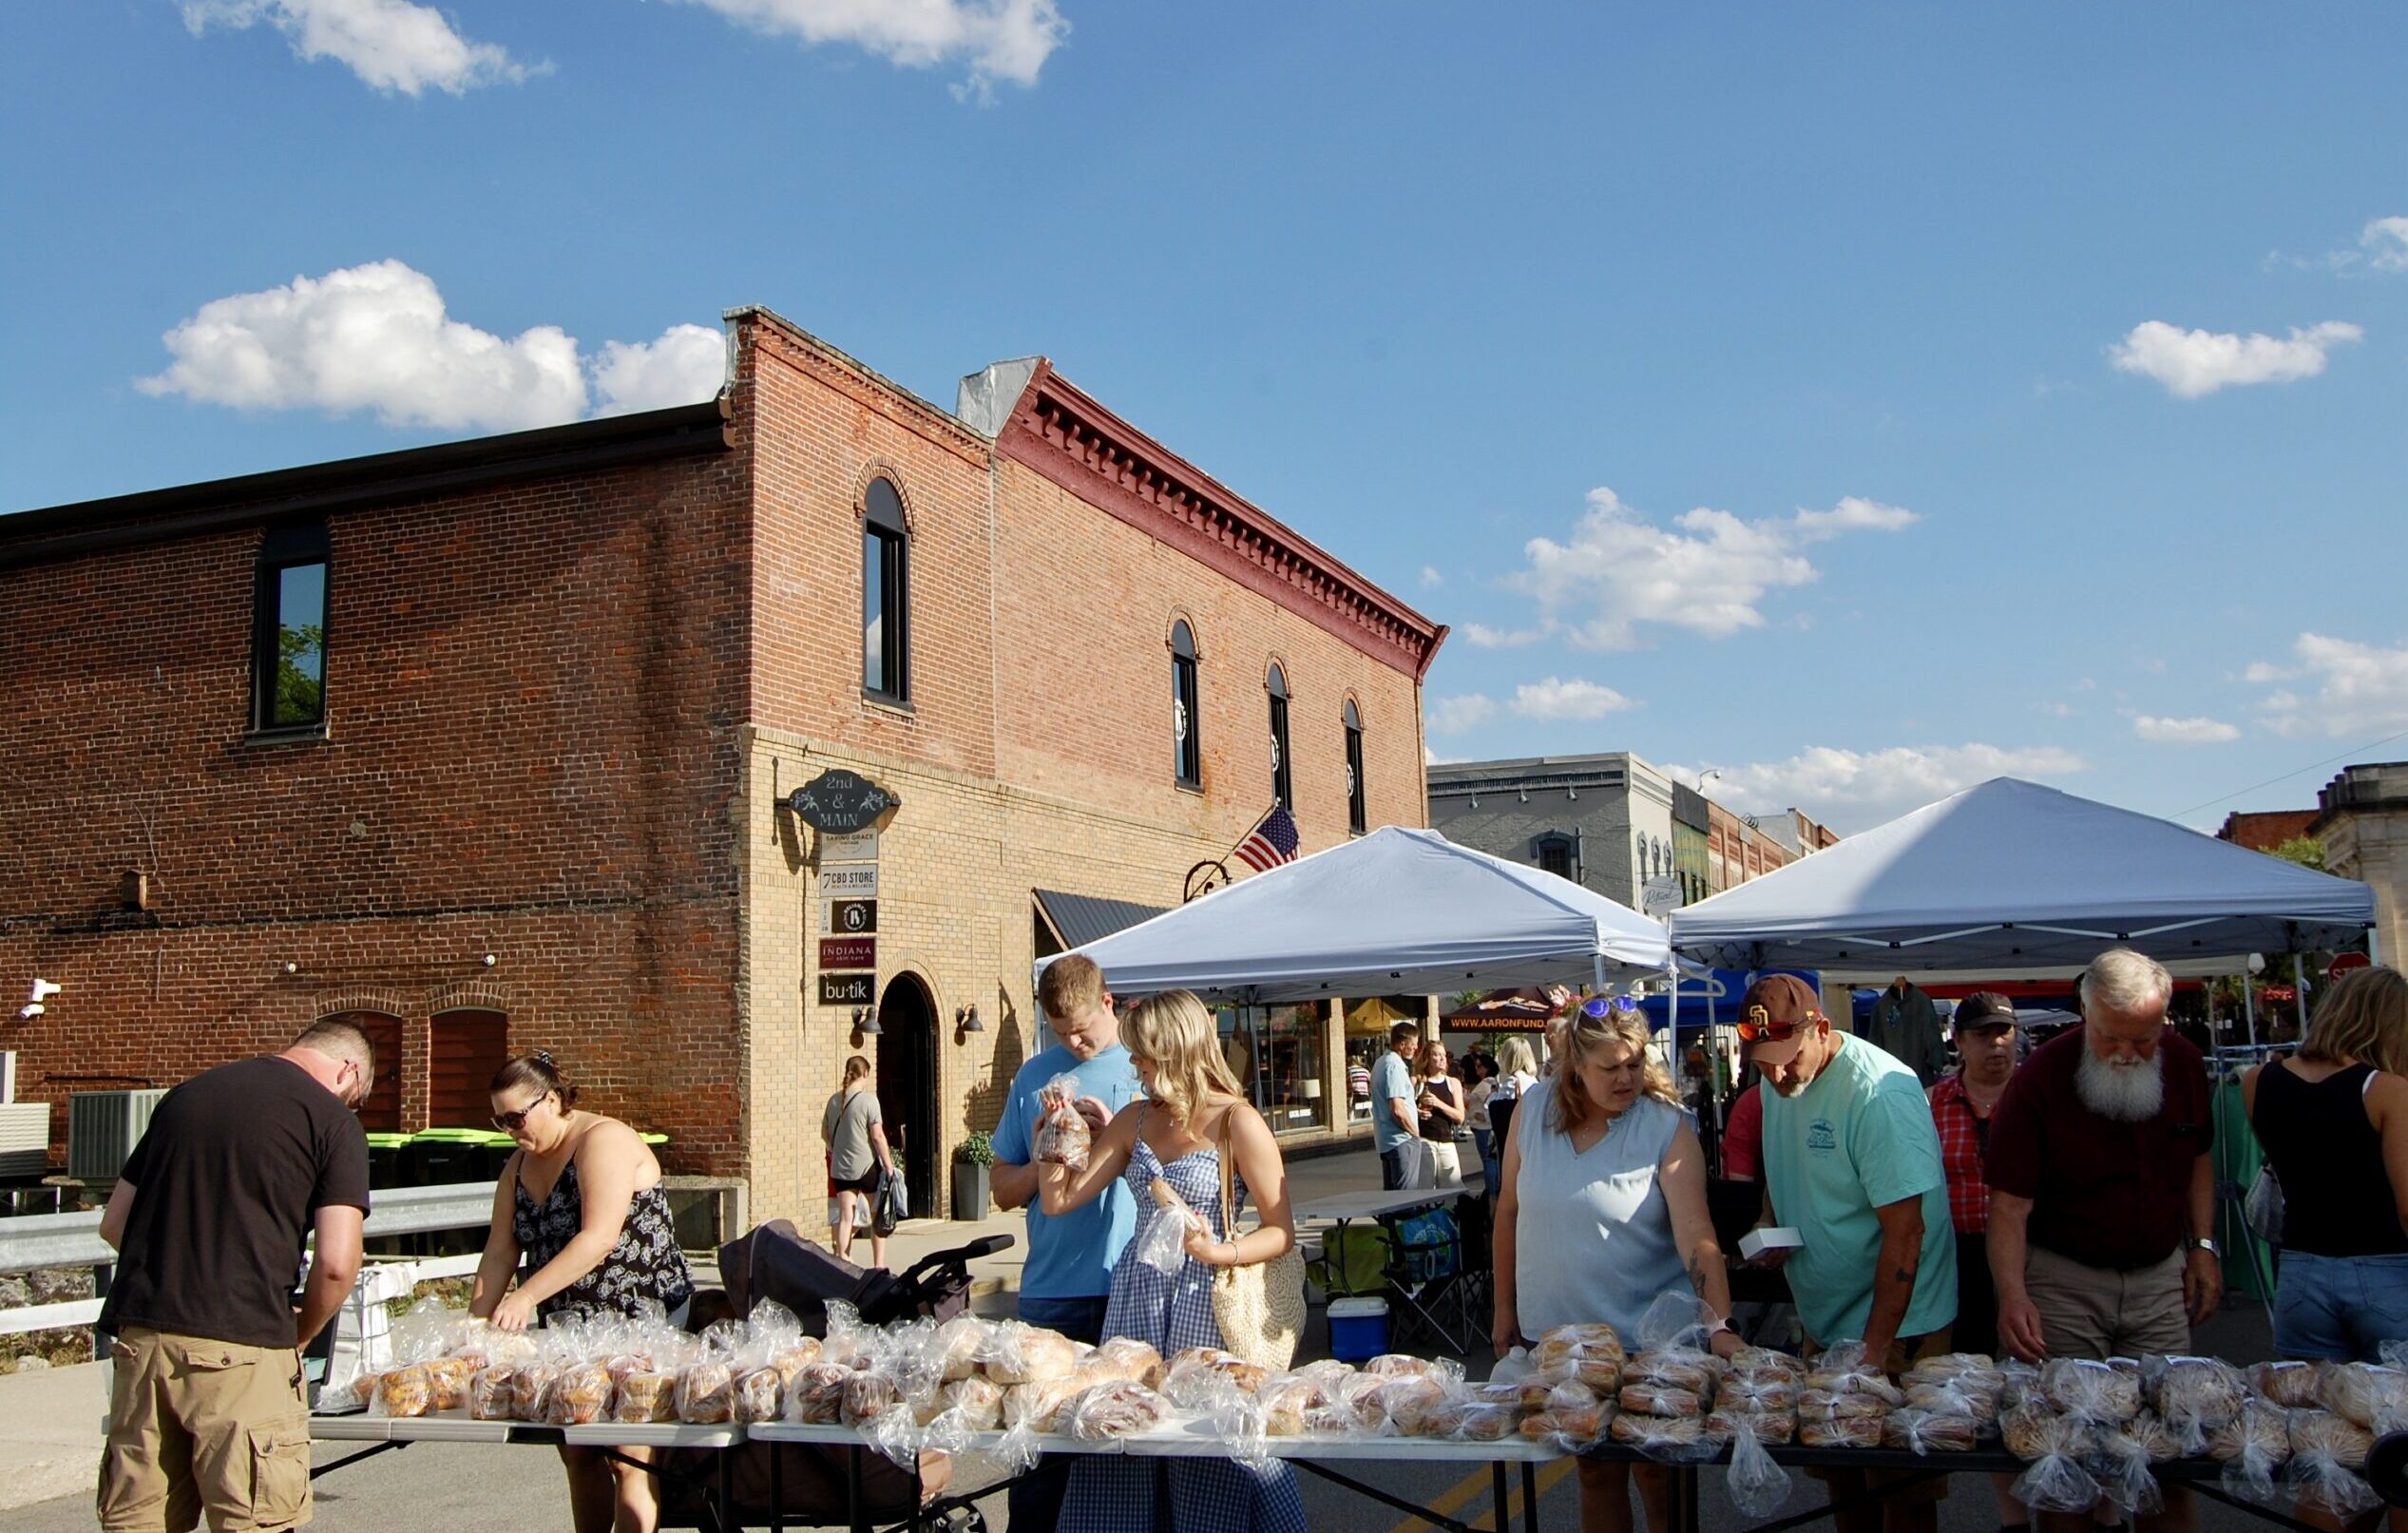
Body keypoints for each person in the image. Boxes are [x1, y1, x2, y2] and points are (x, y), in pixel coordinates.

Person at [1041, 990, 1305, 1533]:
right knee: (1125, 1441)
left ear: (1176, 1049)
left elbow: (1281, 1232)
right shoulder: (1135, 1120)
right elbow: (1059, 1200)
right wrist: (1057, 1137)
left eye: (1142, 1055)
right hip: (1137, 1301)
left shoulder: (1237, 1120)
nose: (1133, 1064)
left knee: (1209, 1447)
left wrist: (1220, 1250)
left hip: (1205, 1303)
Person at [97, 1019, 374, 1533]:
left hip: (144, 1342)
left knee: (138, 1522)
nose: (351, 1106)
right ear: (348, 1073)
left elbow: (115, 1224)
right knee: (255, 1518)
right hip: (243, 1347)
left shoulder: (184, 1098)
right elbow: (338, 1263)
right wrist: (301, 1331)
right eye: (356, 1098)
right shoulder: (331, 1121)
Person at [1987, 950, 2216, 1533]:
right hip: (2065, 1279)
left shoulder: (2184, 1064)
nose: (2126, 1053)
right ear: (2084, 1012)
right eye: (2112, 1038)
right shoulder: (2040, 1079)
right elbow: (2010, 1208)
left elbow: (2198, 1160)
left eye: (2145, 1040)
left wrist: (2205, 1246)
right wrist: (2013, 1295)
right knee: (2066, 1460)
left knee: (2169, 1454)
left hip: (2158, 1275)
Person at [1494, 998, 1741, 1533]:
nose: (1627, 1077)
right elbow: (1508, 1211)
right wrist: (1503, 1307)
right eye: (1610, 1067)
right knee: (1595, 1471)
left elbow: (1697, 1235)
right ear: (1575, 1067)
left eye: (1635, 1062)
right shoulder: (1532, 1110)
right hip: (1565, 1341)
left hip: (1650, 1337)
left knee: (1657, 1473)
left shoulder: (1665, 1124)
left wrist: (1719, 1324)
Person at [1742, 973, 1956, 1533]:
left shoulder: (1880, 1092)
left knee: (1899, 1484)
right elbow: (1780, 1160)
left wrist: (1876, 1349)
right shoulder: (1776, 1074)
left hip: (1899, 1326)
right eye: (1763, 1062)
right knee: (1840, 1473)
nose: (1776, 1073)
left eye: (1786, 1058)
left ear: (1821, 1028)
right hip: (1826, 1313)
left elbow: (1908, 1232)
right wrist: (1770, 1221)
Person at [471, 1051, 695, 1533]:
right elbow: (499, 1252)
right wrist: (474, 1330)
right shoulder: (517, 1167)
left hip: (641, 1313)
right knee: (578, 1451)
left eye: (516, 1117)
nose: (510, 1130)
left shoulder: (603, 1140)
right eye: (500, 1120)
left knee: (628, 1456)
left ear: (551, 1100)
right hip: (570, 1325)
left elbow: (599, 1237)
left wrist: (525, 1296)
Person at [990, 954, 1145, 1533]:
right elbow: (1002, 1187)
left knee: (1124, 1453)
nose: (1075, 1042)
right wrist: (1046, 1159)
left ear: (1108, 1002)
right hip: (1050, 1294)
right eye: (1062, 1033)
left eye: (1083, 1027)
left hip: (1128, 1293)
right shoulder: (1035, 1078)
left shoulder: (1142, 1070)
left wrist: (1115, 1145)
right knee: (1042, 1460)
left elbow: (1181, 1181)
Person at [2245, 964, 2408, 1365]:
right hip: (2384, 1271)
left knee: (2317, 1417)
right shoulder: (2388, 1090)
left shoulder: (2257, 1081)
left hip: (2300, 1274)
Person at [1925, 991, 2024, 1533]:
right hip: (1958, 1258)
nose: (1997, 1044)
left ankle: (2074, 1506)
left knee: (2033, 1385)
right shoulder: (1931, 1103)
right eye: (1984, 1034)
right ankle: (2012, 1517)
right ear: (1959, 1042)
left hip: (2031, 1258)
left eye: (2005, 1032)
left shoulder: (2038, 1096)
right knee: (1978, 1392)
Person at [821, 1054, 893, 1270]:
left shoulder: (833, 1100)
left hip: (840, 1168)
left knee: (845, 1217)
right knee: (876, 1216)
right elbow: (877, 1136)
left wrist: (836, 1147)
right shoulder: (869, 1100)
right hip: (866, 1166)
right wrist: (888, 1165)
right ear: (866, 1073)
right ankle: (879, 1266)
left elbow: (824, 1132)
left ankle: (843, 1261)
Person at [1370, 1020, 1423, 1190]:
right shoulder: (1394, 1065)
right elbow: (1397, 1108)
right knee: (1405, 1199)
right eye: (1413, 1045)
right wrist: (1415, 1133)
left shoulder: (1381, 1062)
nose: (1415, 1049)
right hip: (1401, 1139)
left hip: (1386, 1140)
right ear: (1402, 1045)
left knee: (1392, 1200)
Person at [1870, 975, 1947, 1086]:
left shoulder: (1922, 1003)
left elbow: (1932, 1037)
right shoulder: (1882, 1006)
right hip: (1899, 1077)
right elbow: (1874, 1043)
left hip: (1909, 1076)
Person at [1415, 1040, 1467, 1189]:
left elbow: (1460, 1117)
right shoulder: (1418, 1082)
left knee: (1453, 1186)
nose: (1443, 1058)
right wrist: (1417, 1112)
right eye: (1437, 1055)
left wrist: (1438, 1103)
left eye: (1444, 1055)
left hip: (1446, 1141)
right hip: (1424, 1141)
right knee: (1424, 1190)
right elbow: (1404, 1109)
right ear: (1427, 1058)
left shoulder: (1453, 1082)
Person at [1465, 1051, 1502, 1194]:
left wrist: (1485, 1116)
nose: (1477, 1069)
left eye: (1480, 1066)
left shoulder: (1485, 1083)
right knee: (1491, 1160)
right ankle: (1494, 1191)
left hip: (1482, 1127)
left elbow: (1488, 1102)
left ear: (1487, 1067)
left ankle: (1491, 1193)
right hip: (1486, 1126)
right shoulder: (1493, 1082)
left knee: (1488, 1161)